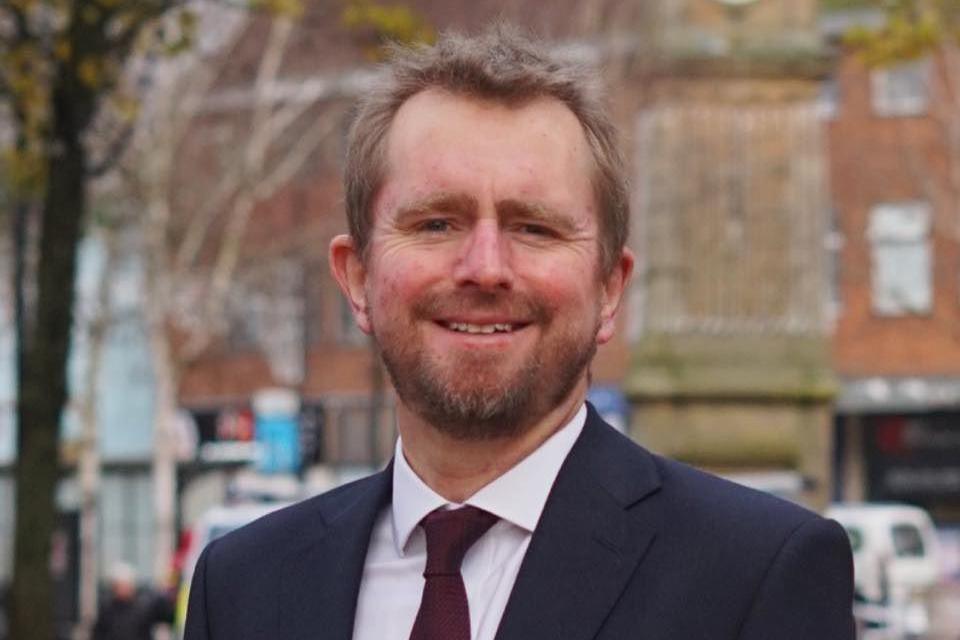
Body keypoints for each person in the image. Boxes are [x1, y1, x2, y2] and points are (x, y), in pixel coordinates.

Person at [184, 26, 855, 640]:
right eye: (435, 223)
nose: (484, 268)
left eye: (533, 228)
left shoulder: (755, 576)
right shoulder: (245, 586)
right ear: (357, 277)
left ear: (609, 288)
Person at [93, 563, 173, 640]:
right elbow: (98, 634)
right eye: (120, 585)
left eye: (126, 585)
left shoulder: (143, 607)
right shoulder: (107, 609)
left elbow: (166, 616)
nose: (123, 589)